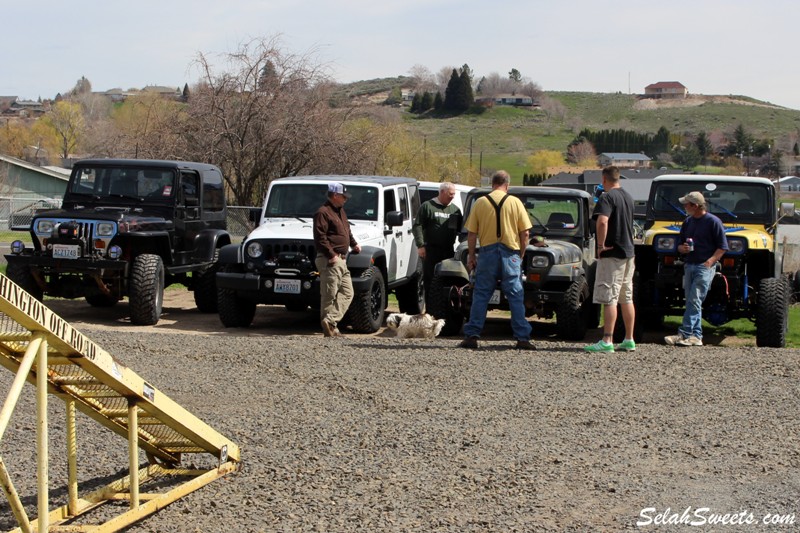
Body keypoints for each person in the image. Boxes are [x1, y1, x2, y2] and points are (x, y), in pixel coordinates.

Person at [459, 170, 536, 351]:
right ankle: (522, 338)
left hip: (487, 253)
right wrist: (521, 254)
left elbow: (471, 233)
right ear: (507, 185)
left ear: (492, 184)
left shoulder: (481, 202)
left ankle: (472, 335)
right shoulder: (515, 202)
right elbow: (525, 233)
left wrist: (472, 256)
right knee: (515, 296)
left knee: (481, 295)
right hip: (510, 253)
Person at [664, 191, 728, 347]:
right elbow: (679, 244)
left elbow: (723, 247)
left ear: (696, 206)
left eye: (687, 204)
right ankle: (696, 336)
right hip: (689, 264)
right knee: (693, 302)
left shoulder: (713, 222)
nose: (684, 206)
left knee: (694, 300)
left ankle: (684, 334)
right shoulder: (688, 222)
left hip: (704, 267)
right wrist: (682, 248)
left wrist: (710, 262)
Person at [584, 166, 637, 353]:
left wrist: (600, 245)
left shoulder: (607, 197)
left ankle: (607, 340)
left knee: (610, 298)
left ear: (604, 179)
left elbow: (602, 221)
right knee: (626, 297)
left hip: (612, 253)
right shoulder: (628, 197)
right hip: (629, 253)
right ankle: (629, 339)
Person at [313, 183, 361, 337]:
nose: (346, 199)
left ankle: (330, 321)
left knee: (348, 292)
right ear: (335, 195)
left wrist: (353, 244)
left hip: (342, 259)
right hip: (330, 260)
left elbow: (346, 230)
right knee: (329, 294)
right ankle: (330, 328)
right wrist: (331, 255)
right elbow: (320, 237)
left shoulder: (340, 211)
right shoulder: (323, 212)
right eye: (343, 196)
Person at [412, 182, 462, 310]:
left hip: (448, 251)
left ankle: (447, 312)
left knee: (448, 282)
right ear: (442, 192)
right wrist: (420, 245)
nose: (452, 196)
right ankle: (430, 311)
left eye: (454, 194)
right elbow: (417, 226)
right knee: (430, 281)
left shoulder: (455, 210)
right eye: (450, 194)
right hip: (431, 251)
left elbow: (460, 229)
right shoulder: (428, 206)